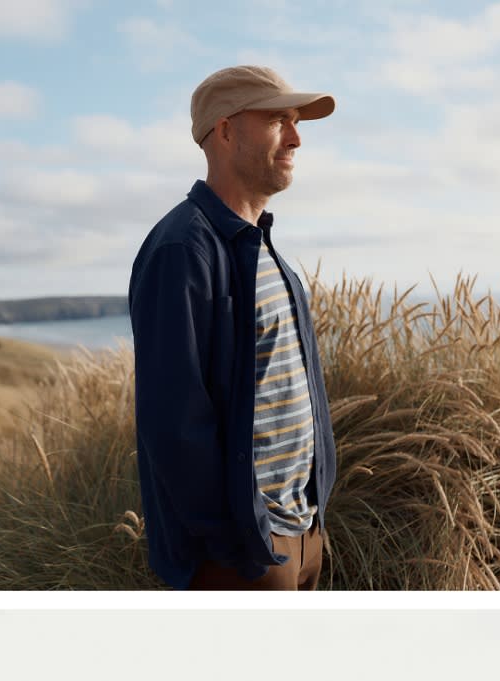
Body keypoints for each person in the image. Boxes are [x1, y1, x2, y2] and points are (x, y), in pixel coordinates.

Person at [129, 65, 337, 590]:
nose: (295, 137)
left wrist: (310, 526)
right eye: (278, 120)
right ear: (225, 131)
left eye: (296, 122)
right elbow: (173, 423)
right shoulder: (183, 250)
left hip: (304, 538)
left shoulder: (264, 250)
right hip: (245, 557)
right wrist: (239, 546)